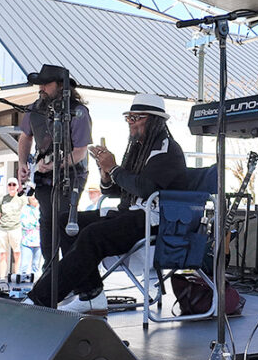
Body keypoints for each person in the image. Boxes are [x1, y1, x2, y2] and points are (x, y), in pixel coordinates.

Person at [25, 94, 187, 314]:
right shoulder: (139, 149)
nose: (130, 122)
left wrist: (114, 169)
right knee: (66, 222)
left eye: (136, 118)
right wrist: (105, 174)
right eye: (128, 118)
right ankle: (90, 294)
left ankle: (39, 300)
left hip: (156, 218)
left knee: (93, 234)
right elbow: (115, 190)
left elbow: (147, 189)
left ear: (155, 120)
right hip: (130, 213)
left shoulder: (168, 150)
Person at [17, 64, 93, 269]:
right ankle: (49, 270)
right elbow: (25, 137)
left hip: (72, 174)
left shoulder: (78, 112)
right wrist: (22, 164)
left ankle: (70, 273)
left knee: (63, 220)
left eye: (46, 84)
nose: (41, 88)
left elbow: (80, 151)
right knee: (46, 220)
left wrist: (54, 166)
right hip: (44, 174)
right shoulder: (34, 109)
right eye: (39, 84)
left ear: (61, 86)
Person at [0, 177, 26, 278]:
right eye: (10, 185)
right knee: (2, 254)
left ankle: (16, 275)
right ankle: (2, 277)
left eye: (14, 184)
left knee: (17, 253)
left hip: (16, 228)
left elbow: (28, 210)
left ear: (17, 186)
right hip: (3, 229)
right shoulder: (2, 199)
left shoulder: (22, 198)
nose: (12, 187)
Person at [19, 194, 42, 275]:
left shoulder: (42, 208)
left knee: (36, 266)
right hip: (26, 242)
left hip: (39, 242)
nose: (34, 197)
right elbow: (25, 223)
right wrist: (38, 224)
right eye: (32, 195)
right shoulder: (25, 208)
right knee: (24, 266)